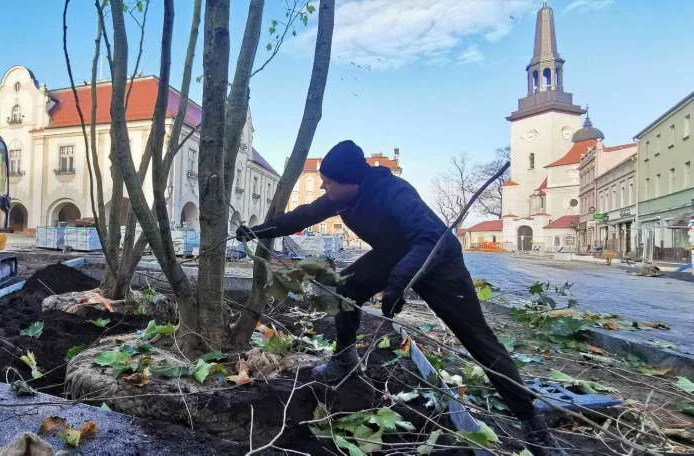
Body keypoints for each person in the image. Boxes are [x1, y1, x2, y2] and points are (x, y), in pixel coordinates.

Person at [237, 140, 566, 456]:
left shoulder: (394, 192)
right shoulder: (342, 197)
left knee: (477, 338)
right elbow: (302, 216)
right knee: (347, 288)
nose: (324, 189)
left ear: (349, 181)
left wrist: (397, 285)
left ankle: (532, 422)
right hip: (394, 255)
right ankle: (345, 360)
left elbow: (428, 238)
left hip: (438, 261)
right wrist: (260, 230)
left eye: (327, 183)